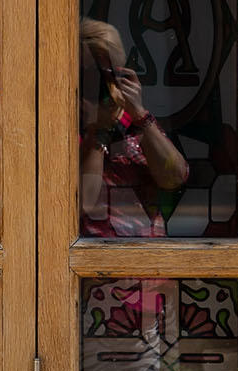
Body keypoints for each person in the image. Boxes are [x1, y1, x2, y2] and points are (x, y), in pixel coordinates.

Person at [78, 18, 187, 237]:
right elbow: (82, 204)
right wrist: (100, 133)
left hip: (145, 264)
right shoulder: (60, 127)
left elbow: (175, 177)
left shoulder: (137, 126)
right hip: (93, 265)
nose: (98, 85)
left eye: (106, 75)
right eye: (90, 74)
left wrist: (139, 114)